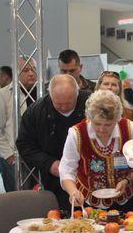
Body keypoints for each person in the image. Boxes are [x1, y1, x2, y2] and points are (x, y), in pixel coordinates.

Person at [59, 89, 133, 211]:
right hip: (88, 202)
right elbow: (67, 168)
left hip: (126, 201)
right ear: (89, 118)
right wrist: (73, 191)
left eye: (108, 125)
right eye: (97, 124)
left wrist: (127, 180)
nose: (102, 129)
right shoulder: (76, 133)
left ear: (117, 119)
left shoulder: (129, 128)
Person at [17, 74, 88, 212]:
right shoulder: (36, 111)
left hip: (90, 176)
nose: (63, 108)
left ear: (77, 92)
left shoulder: (91, 105)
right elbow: (25, 145)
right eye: (58, 103)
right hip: (55, 181)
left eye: (68, 103)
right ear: (50, 95)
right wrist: (49, 164)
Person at [0, 57, 38, 191]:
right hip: (15, 158)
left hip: (40, 157)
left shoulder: (44, 93)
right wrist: (8, 155)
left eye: (34, 69)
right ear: (16, 73)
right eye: (26, 70)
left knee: (43, 199)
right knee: (20, 202)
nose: (31, 73)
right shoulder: (2, 96)